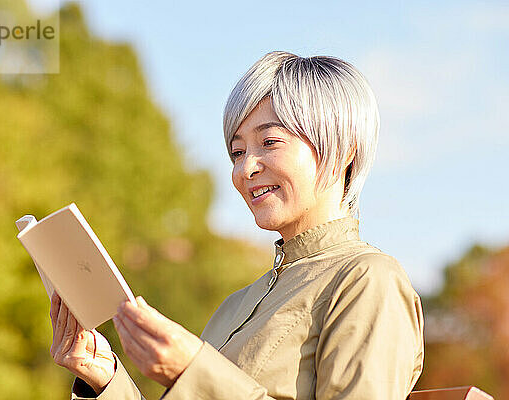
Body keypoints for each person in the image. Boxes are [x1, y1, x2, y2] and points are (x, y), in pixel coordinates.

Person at [50, 51, 424, 400]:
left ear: (342, 150)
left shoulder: (369, 279)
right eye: (238, 151)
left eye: (270, 142)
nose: (246, 169)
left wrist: (192, 370)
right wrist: (104, 378)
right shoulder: (233, 306)